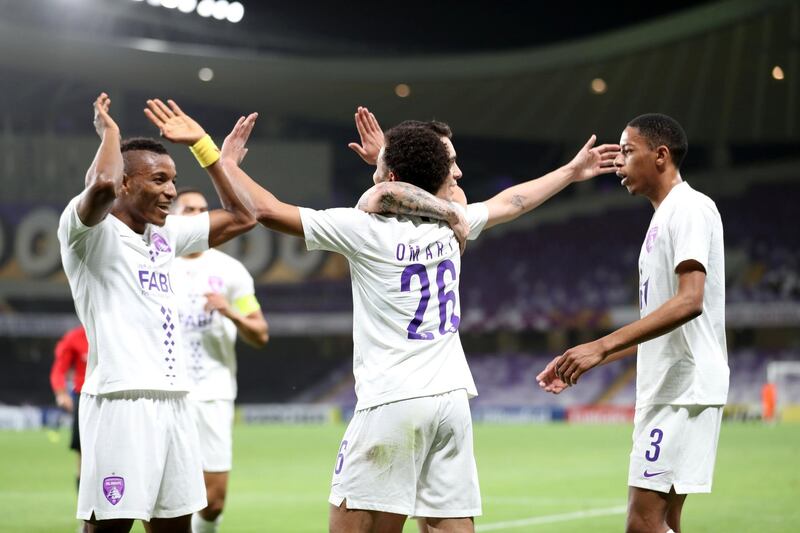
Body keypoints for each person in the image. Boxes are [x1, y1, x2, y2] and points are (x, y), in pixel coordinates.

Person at [148, 97, 617, 531]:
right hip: (451, 400)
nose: (458, 174)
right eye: (450, 166)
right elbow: (514, 201)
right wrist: (571, 172)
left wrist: (218, 158)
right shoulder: (454, 224)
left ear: (389, 174)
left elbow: (266, 209)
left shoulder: (365, 228)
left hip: (393, 402)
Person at [58, 93, 257, 533]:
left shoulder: (166, 237)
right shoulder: (88, 235)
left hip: (176, 402)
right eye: (159, 179)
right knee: (109, 527)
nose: (171, 190)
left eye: (173, 180)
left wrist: (206, 148)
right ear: (127, 184)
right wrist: (111, 133)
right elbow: (103, 186)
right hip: (120, 401)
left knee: (175, 528)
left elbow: (245, 215)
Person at [536, 113, 729, 533]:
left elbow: (690, 300)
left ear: (660, 156)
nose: (618, 163)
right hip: (670, 386)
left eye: (627, 151)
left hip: (682, 389)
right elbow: (660, 325)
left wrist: (601, 345)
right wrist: (588, 359)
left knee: (642, 524)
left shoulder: (689, 207)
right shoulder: (661, 218)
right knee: (665, 521)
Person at [169, 189, 269, 533]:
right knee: (163, 497)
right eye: (189, 210)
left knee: (213, 502)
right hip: (167, 394)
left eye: (202, 210)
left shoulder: (230, 271)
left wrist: (230, 312)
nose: (197, 215)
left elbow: (260, 333)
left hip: (213, 393)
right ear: (173, 217)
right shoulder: (157, 263)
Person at [50, 324, 89, 490]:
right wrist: (61, 393)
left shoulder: (117, 332)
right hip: (85, 399)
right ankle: (85, 512)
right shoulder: (75, 337)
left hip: (114, 398)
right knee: (83, 455)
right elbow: (58, 370)